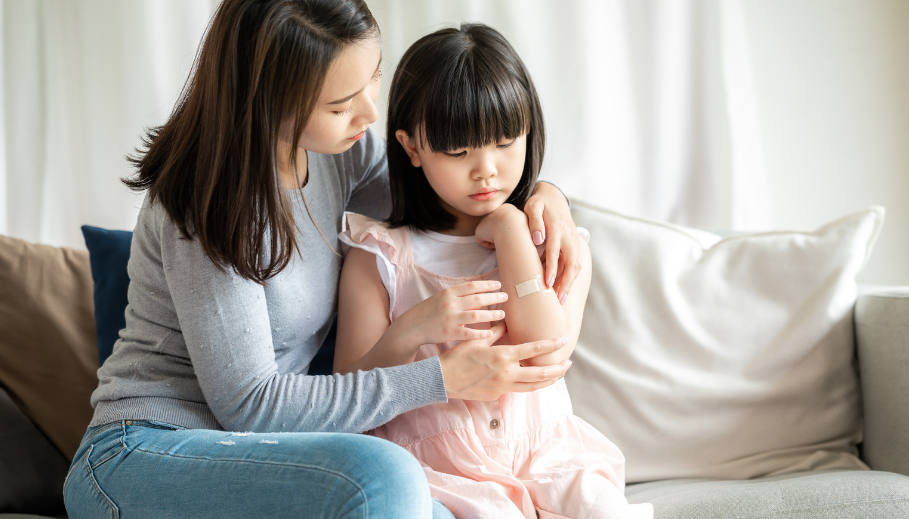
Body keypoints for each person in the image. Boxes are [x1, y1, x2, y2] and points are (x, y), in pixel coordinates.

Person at [62, 2, 583, 518]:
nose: (370, 115)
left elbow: (443, 197)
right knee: (386, 475)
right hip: (144, 452)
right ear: (269, 102)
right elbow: (250, 407)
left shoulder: (343, 155)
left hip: (268, 455)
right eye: (339, 105)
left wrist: (544, 196)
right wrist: (439, 378)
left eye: (372, 78)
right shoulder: (209, 201)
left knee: (450, 509)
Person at [334, 24, 654, 519]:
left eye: (505, 142)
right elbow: (346, 391)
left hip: (550, 461)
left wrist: (510, 230)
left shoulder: (556, 244)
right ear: (412, 148)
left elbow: (547, 353)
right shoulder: (379, 255)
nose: (486, 169)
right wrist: (414, 328)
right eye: (458, 152)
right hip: (439, 473)